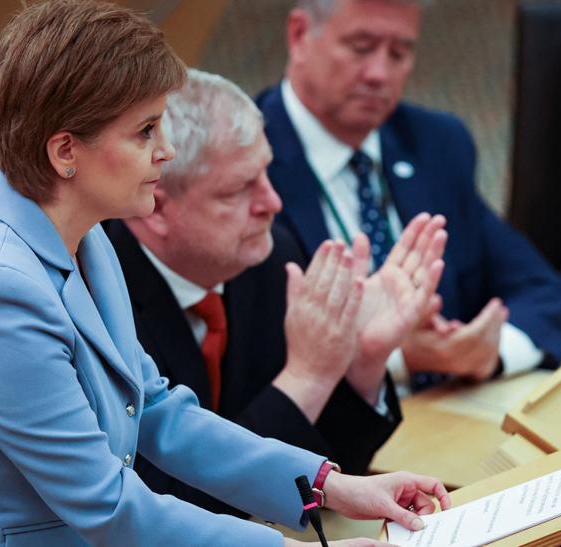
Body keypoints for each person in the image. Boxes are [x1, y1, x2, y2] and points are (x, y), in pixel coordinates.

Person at [0, 0, 448, 546]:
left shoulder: (85, 237)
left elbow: (156, 411)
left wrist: (330, 486)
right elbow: (107, 505)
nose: (168, 151)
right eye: (146, 131)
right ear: (65, 153)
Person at [105, 69, 446, 512]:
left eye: (265, 173)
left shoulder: (265, 254)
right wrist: (308, 378)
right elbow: (160, 508)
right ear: (154, 206)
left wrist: (360, 360)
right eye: (238, 189)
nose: (272, 202)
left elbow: (330, 472)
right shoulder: (99, 298)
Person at [256, 0, 561, 390]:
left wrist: (489, 351)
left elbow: (543, 292)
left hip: (452, 416)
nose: (379, 73)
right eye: (360, 47)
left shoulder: (436, 143)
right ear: (301, 34)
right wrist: (396, 358)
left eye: (400, 53)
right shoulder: (245, 165)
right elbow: (254, 357)